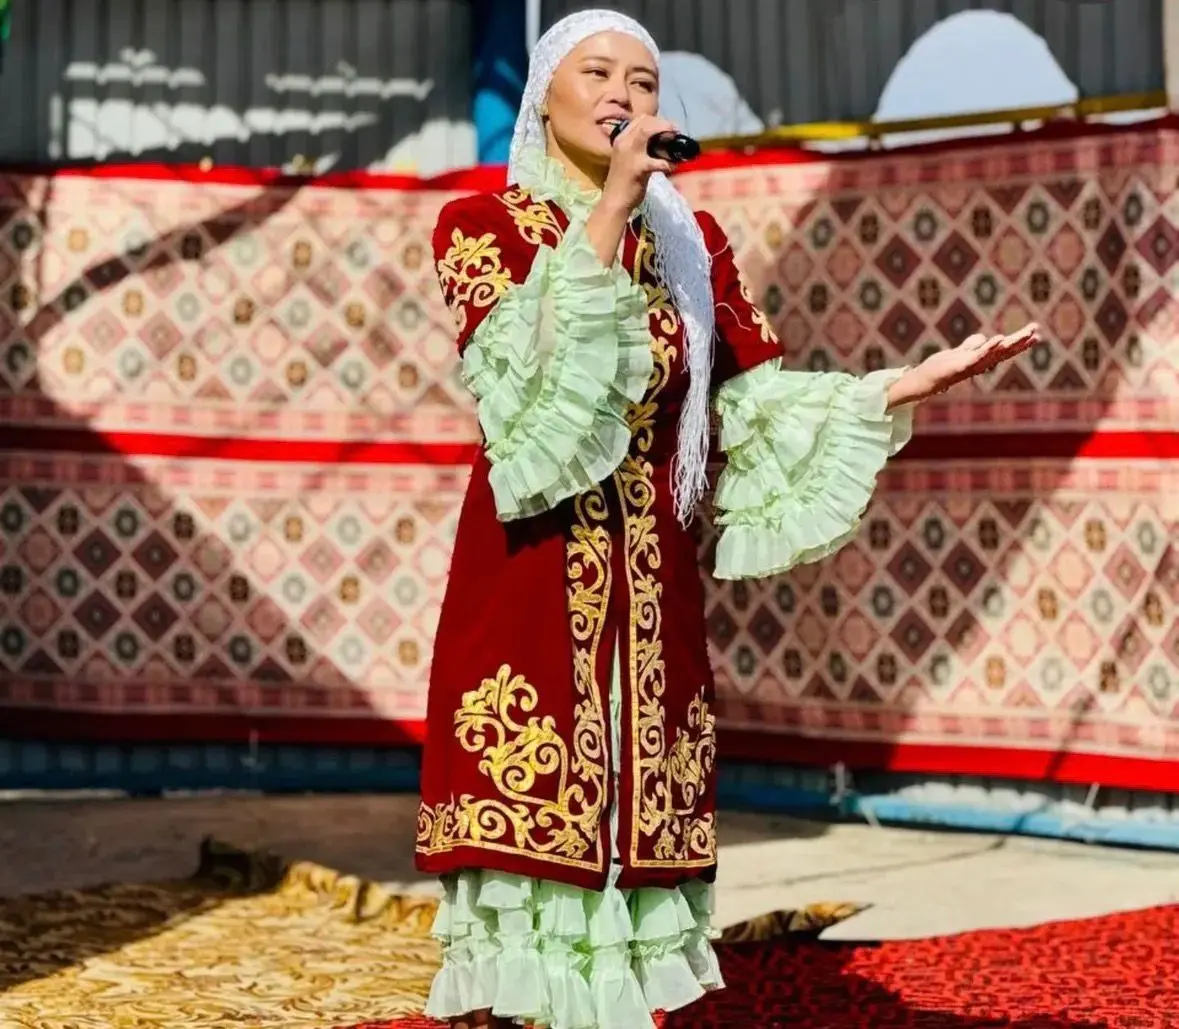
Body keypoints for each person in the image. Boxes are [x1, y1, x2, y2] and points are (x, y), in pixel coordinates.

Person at [415, 9, 1039, 1029]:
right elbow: (528, 380)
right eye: (598, 74)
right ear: (545, 95)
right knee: (530, 831)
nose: (623, 96)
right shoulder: (482, 225)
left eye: (643, 83)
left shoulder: (692, 245)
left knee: (637, 817)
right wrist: (615, 201)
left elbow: (744, 407)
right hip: (529, 572)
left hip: (653, 585)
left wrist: (898, 386)